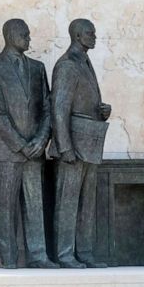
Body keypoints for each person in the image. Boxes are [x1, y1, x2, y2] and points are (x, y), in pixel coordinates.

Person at [0, 19, 58, 269]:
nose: (29, 38)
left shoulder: (38, 68)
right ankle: (9, 259)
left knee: (35, 205)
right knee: (6, 207)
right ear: (11, 35)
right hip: (7, 151)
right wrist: (21, 144)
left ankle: (38, 256)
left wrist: (40, 140)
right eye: (25, 34)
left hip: (35, 150)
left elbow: (48, 108)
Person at [50, 18, 111, 269]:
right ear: (77, 35)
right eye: (90, 32)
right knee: (68, 202)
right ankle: (65, 254)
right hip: (73, 145)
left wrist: (102, 110)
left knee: (87, 203)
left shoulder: (85, 62)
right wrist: (64, 147)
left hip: (90, 142)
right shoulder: (67, 64)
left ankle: (84, 252)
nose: (94, 36)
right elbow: (59, 108)